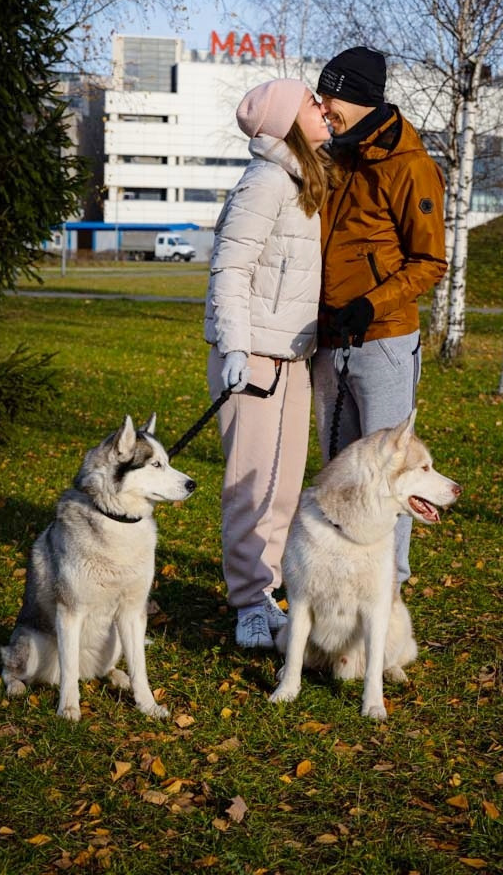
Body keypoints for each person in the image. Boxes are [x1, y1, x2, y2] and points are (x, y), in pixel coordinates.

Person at [204, 77, 334, 650]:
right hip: (252, 357)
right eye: (310, 101)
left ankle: (266, 588)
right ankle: (247, 603)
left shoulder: (298, 178)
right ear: (284, 120)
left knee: (283, 489)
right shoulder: (263, 182)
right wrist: (234, 346)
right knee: (249, 487)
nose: (321, 108)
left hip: (291, 358)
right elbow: (229, 268)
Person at [313, 46, 447, 587]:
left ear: (358, 97)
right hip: (327, 339)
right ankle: (339, 572)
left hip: (386, 340)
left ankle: (388, 580)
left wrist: (371, 304)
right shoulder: (335, 154)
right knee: (340, 467)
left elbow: (430, 261)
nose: (323, 107)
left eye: (330, 97)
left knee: (389, 469)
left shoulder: (409, 166)